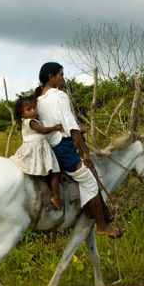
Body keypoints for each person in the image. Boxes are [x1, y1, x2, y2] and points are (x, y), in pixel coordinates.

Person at [35, 62, 122, 238]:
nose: (63, 78)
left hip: (48, 145)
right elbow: (70, 126)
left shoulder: (38, 99)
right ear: (51, 77)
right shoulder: (59, 96)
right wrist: (84, 152)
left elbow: (54, 123)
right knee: (90, 181)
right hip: (63, 147)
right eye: (61, 74)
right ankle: (102, 225)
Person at [11, 95, 63, 210]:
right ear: (22, 113)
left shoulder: (26, 121)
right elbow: (43, 130)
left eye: (34, 107)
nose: (33, 111)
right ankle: (56, 196)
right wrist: (56, 127)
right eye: (28, 109)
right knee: (54, 171)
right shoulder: (31, 122)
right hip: (38, 149)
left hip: (31, 148)